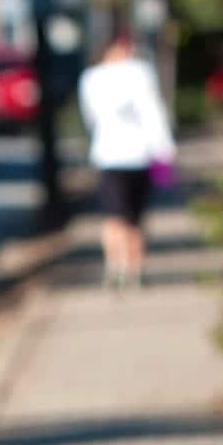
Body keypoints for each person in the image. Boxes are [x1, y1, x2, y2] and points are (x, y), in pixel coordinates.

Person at [78, 25, 176, 289]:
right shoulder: (140, 73)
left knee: (117, 215)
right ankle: (133, 269)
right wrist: (165, 150)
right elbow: (153, 113)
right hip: (136, 154)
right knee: (132, 217)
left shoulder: (91, 78)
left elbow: (90, 118)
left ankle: (118, 266)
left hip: (110, 154)